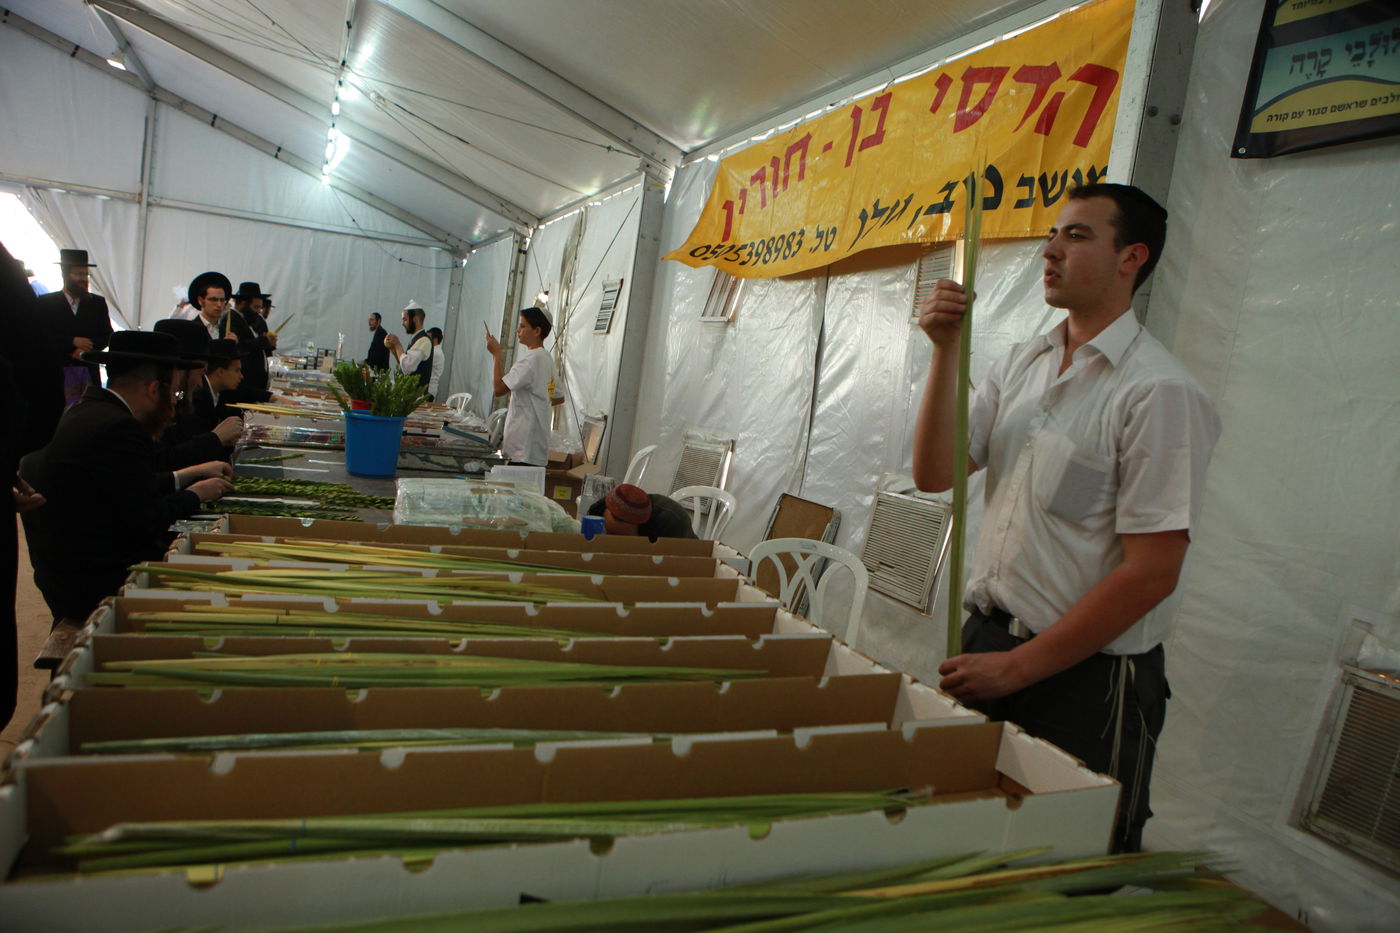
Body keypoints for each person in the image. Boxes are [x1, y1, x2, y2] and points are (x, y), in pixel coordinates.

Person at [912, 183, 1220, 853]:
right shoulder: (1024, 361)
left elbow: (1153, 572)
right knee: (968, 836)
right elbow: (936, 473)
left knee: (1068, 865)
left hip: (1084, 679)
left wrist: (1021, 668)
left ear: (1130, 257)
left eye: (1077, 236)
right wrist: (943, 349)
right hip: (990, 644)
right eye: (1053, 235)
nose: (1050, 250)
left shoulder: (1157, 391)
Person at [20, 330, 233, 628]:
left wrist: (188, 476)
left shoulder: (88, 408)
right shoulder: (119, 428)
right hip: (95, 583)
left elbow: (126, 487)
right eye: (174, 393)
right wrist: (196, 494)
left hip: (66, 572)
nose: (173, 405)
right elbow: (148, 518)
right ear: (152, 389)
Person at [35, 248, 112, 406]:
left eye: (85, 274)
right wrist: (71, 342)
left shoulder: (97, 303)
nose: (83, 279)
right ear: (65, 275)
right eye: (78, 274)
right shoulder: (46, 303)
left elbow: (107, 335)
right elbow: (40, 335)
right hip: (56, 374)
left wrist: (87, 349)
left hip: (88, 373)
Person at [485, 307, 555, 466]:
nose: (518, 330)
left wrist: (496, 354)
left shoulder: (530, 359)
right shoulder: (546, 358)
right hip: (535, 443)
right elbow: (557, 396)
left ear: (537, 331)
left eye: (523, 326)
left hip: (523, 446)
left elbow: (498, 389)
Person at [585, 484, 697, 541]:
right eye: (611, 534)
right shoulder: (597, 511)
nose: (617, 543)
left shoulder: (671, 522)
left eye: (624, 539)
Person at [224, 281, 275, 401]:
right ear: (242, 303)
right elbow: (239, 347)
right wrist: (264, 341)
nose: (259, 311)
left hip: (259, 384)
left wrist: (270, 343)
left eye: (260, 307)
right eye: (256, 307)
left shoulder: (257, 320)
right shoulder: (231, 319)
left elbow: (263, 347)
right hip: (243, 386)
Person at [385, 300, 433, 388]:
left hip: (416, 396)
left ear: (415, 319)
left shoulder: (424, 340)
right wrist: (395, 351)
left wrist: (397, 344)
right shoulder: (416, 339)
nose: (402, 324)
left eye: (405, 319)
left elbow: (408, 367)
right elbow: (404, 367)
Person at [426, 326, 445, 400]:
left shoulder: (435, 352)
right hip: (430, 389)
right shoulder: (435, 351)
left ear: (435, 339)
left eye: (428, 338)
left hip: (428, 389)